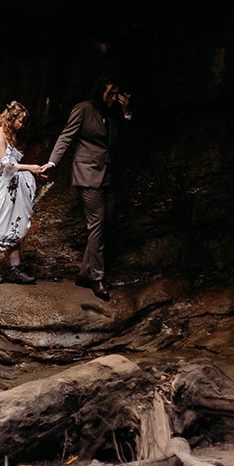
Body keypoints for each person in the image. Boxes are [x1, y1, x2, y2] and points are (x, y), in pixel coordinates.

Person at [41, 76, 132, 300]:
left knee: (108, 223)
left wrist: (126, 111)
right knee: (97, 224)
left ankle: (84, 273)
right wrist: (52, 162)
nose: (114, 98)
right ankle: (96, 278)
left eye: (116, 94)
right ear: (99, 92)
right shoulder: (83, 109)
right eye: (110, 93)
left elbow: (124, 139)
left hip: (108, 175)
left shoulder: (114, 113)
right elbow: (66, 136)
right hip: (87, 174)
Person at [0, 100, 44, 283]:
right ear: (11, 118)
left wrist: (32, 172)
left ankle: (15, 269)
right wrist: (30, 167)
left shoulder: (9, 135)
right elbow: (6, 165)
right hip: (1, 188)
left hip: (12, 188)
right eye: (19, 121)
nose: (21, 125)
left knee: (16, 223)